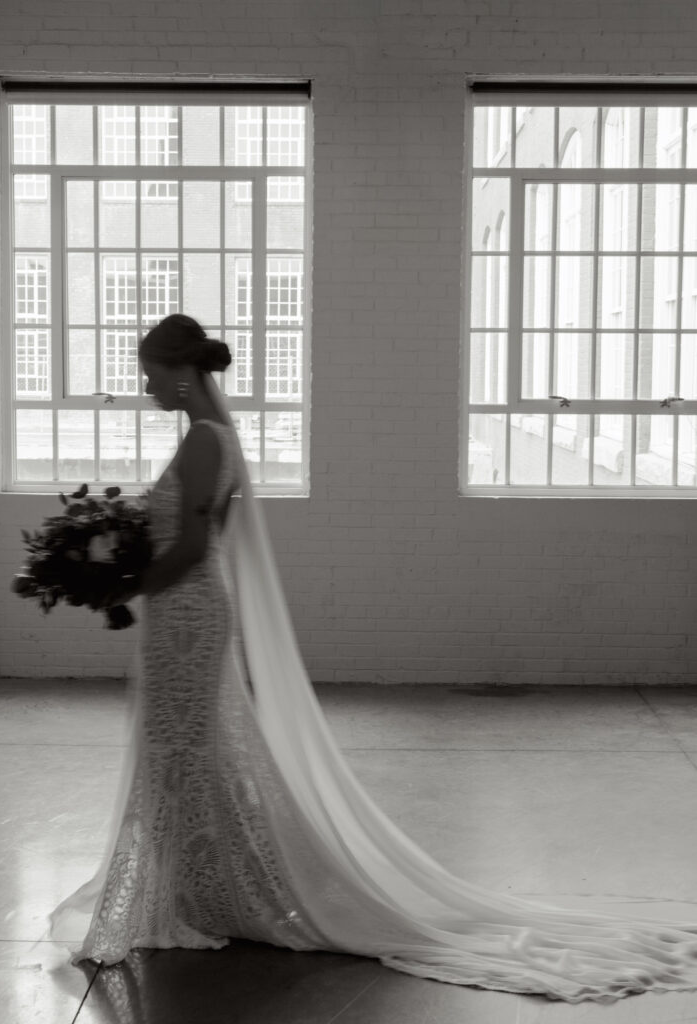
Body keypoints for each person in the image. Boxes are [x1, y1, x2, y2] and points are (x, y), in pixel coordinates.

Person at [48, 313, 697, 1004]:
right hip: (185, 611)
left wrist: (120, 584)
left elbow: (189, 548)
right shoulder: (211, 436)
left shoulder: (208, 440)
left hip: (188, 616)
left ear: (181, 373)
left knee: (184, 749)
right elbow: (205, 539)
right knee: (186, 752)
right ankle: (198, 888)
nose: (146, 387)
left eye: (150, 375)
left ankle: (200, 890)